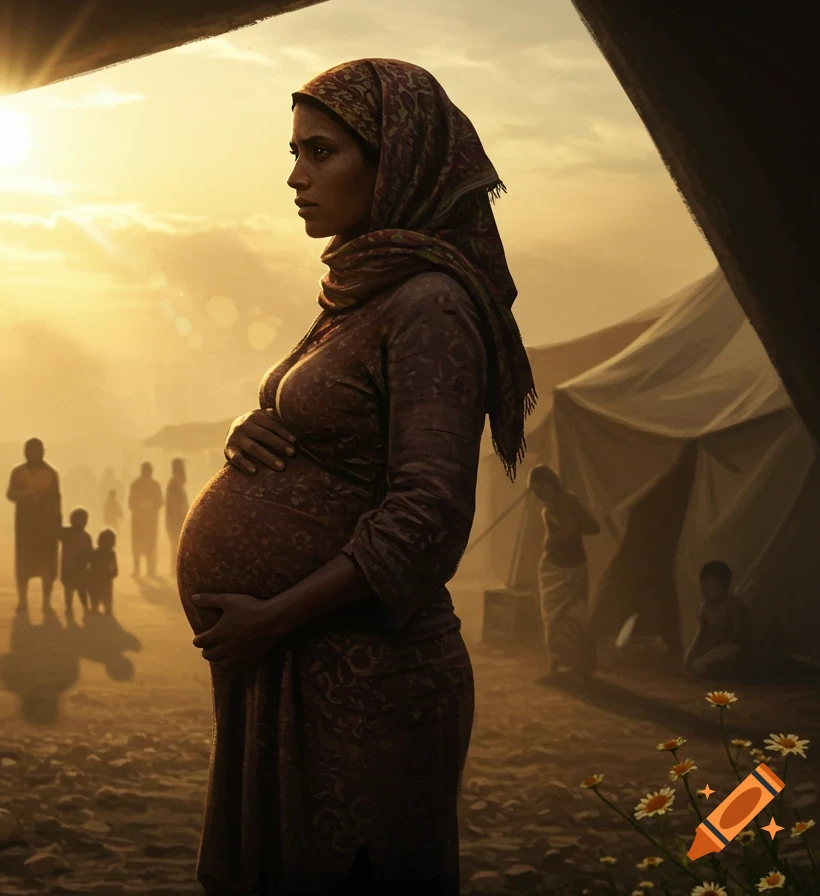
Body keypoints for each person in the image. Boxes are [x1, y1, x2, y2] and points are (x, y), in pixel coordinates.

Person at [175, 59, 534, 894]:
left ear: (395, 161)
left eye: (321, 152)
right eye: (295, 150)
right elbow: (333, 422)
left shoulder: (431, 303)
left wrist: (272, 617)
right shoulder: (366, 289)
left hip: (366, 679)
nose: (295, 176)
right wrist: (251, 424)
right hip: (298, 667)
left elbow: (427, 516)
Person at [528, 464, 600, 679]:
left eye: (542, 488)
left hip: (574, 569)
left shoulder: (569, 501)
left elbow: (593, 527)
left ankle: (582, 666)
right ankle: (557, 665)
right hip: (552, 569)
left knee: (576, 618)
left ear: (552, 484)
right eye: (535, 490)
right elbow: (551, 539)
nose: (539, 494)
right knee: (552, 618)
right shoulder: (547, 510)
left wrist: (573, 527)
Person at [7, 438, 62, 611]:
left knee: (47, 566)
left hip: (46, 526)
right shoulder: (18, 472)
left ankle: (46, 602)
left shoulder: (51, 473)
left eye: (38, 450)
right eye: (31, 451)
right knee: (24, 565)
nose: (35, 454)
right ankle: (22, 601)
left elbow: (57, 499)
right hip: (25, 526)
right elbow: (10, 494)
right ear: (26, 452)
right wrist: (26, 495)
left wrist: (57, 524)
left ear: (43, 452)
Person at [684, 561, 751, 678]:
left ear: (720, 585)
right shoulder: (705, 607)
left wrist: (718, 651)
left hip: (731, 651)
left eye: (708, 585)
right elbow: (699, 634)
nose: (703, 590)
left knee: (733, 649)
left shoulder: (732, 604)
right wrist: (691, 652)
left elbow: (739, 638)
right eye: (702, 585)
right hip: (714, 651)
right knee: (694, 660)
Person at [128, 461, 165, 578]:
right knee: (139, 545)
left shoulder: (152, 485)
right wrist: (141, 506)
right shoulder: (137, 485)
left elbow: (159, 502)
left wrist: (151, 505)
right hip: (141, 520)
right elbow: (131, 503)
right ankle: (139, 569)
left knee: (149, 545)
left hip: (149, 521)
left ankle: (149, 569)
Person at [59, 508, 94, 619]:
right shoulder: (67, 533)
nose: (82, 523)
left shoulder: (84, 536)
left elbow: (89, 554)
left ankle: (82, 607)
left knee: (78, 589)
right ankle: (70, 607)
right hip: (70, 568)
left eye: (83, 521)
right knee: (71, 589)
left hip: (78, 568)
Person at [165, 458, 190, 576]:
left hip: (176, 520)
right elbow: (175, 505)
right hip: (176, 520)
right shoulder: (174, 483)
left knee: (176, 545)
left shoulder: (176, 483)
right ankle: (175, 570)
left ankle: (174, 570)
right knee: (177, 545)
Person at [88, 529, 119, 617]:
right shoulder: (111, 553)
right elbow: (115, 570)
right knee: (106, 602)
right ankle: (105, 613)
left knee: (96, 602)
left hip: (97, 579)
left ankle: (96, 613)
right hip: (104, 579)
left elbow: (88, 566)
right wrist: (110, 575)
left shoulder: (95, 552)